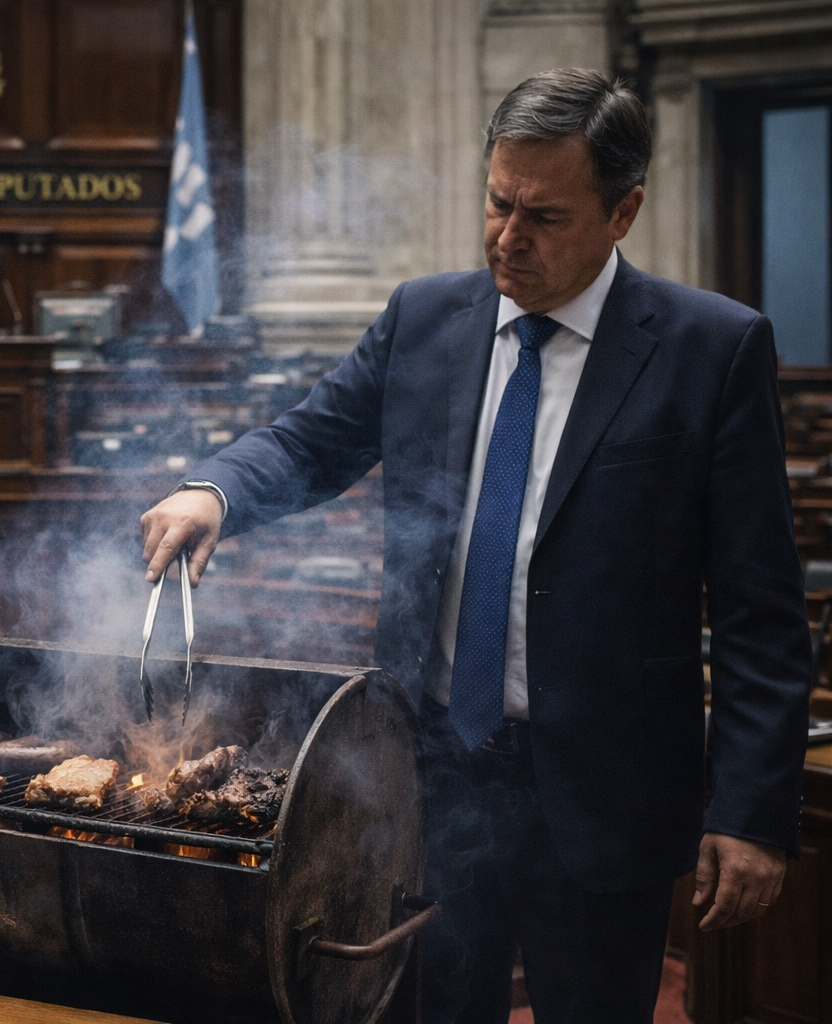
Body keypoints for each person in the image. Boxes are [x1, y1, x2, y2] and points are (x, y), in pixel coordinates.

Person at [139, 68, 812, 1023]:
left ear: (623, 212)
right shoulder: (425, 318)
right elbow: (310, 441)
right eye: (498, 202)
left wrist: (751, 812)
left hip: (605, 790)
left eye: (545, 216)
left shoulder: (712, 348)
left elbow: (761, 612)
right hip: (432, 772)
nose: (507, 237)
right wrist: (213, 491)